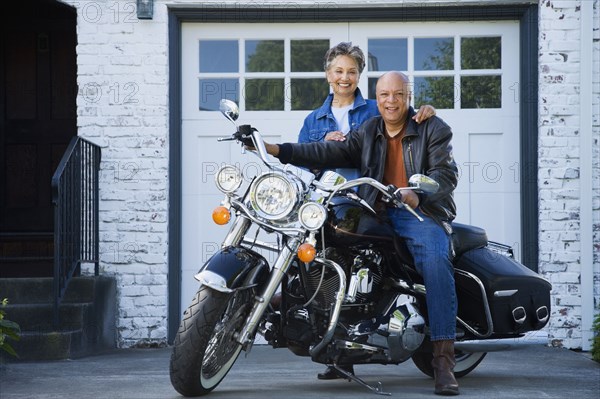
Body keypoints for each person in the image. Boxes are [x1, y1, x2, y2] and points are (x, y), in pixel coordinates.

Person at [262, 71, 460, 396]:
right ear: (376, 98)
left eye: (398, 94)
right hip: (376, 210)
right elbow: (327, 153)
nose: (391, 101)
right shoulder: (369, 129)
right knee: (329, 245)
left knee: (436, 262)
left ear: (408, 97)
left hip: (417, 212)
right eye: (384, 95)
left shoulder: (433, 128)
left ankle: (443, 361)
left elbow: (444, 173)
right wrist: (277, 149)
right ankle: (336, 343)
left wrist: (417, 193)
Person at [298, 42, 436, 182]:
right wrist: (322, 150)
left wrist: (426, 111)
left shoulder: (378, 110)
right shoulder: (312, 121)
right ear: (328, 75)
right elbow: (302, 171)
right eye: (338, 71)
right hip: (326, 200)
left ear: (359, 76)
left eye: (352, 72)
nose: (345, 78)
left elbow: (409, 130)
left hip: (368, 198)